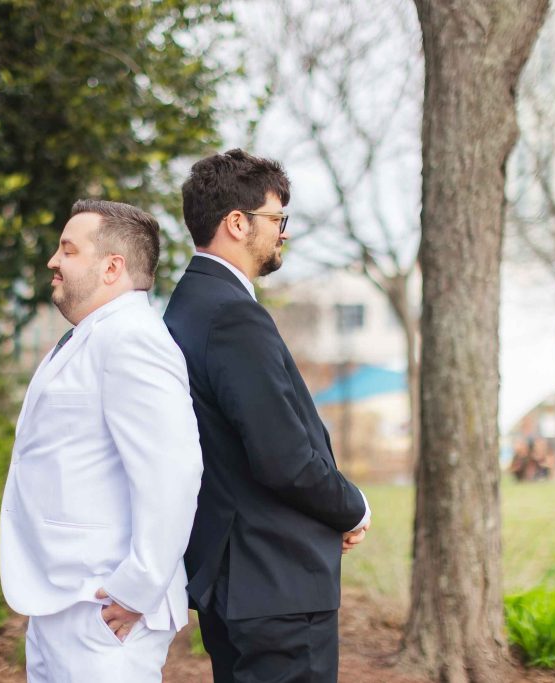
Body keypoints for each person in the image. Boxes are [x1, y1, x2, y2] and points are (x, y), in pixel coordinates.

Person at [164, 149, 371, 682]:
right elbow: (284, 458)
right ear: (238, 223)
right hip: (275, 582)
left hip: (236, 579)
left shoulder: (187, 306)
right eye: (278, 220)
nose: (284, 234)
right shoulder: (232, 315)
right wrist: (352, 507)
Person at [0, 199, 203, 682]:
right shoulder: (84, 338)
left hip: (104, 609)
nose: (53, 260)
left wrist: (136, 589)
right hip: (61, 599)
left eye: (68, 249)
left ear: (113, 267)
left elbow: (173, 472)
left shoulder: (134, 339)